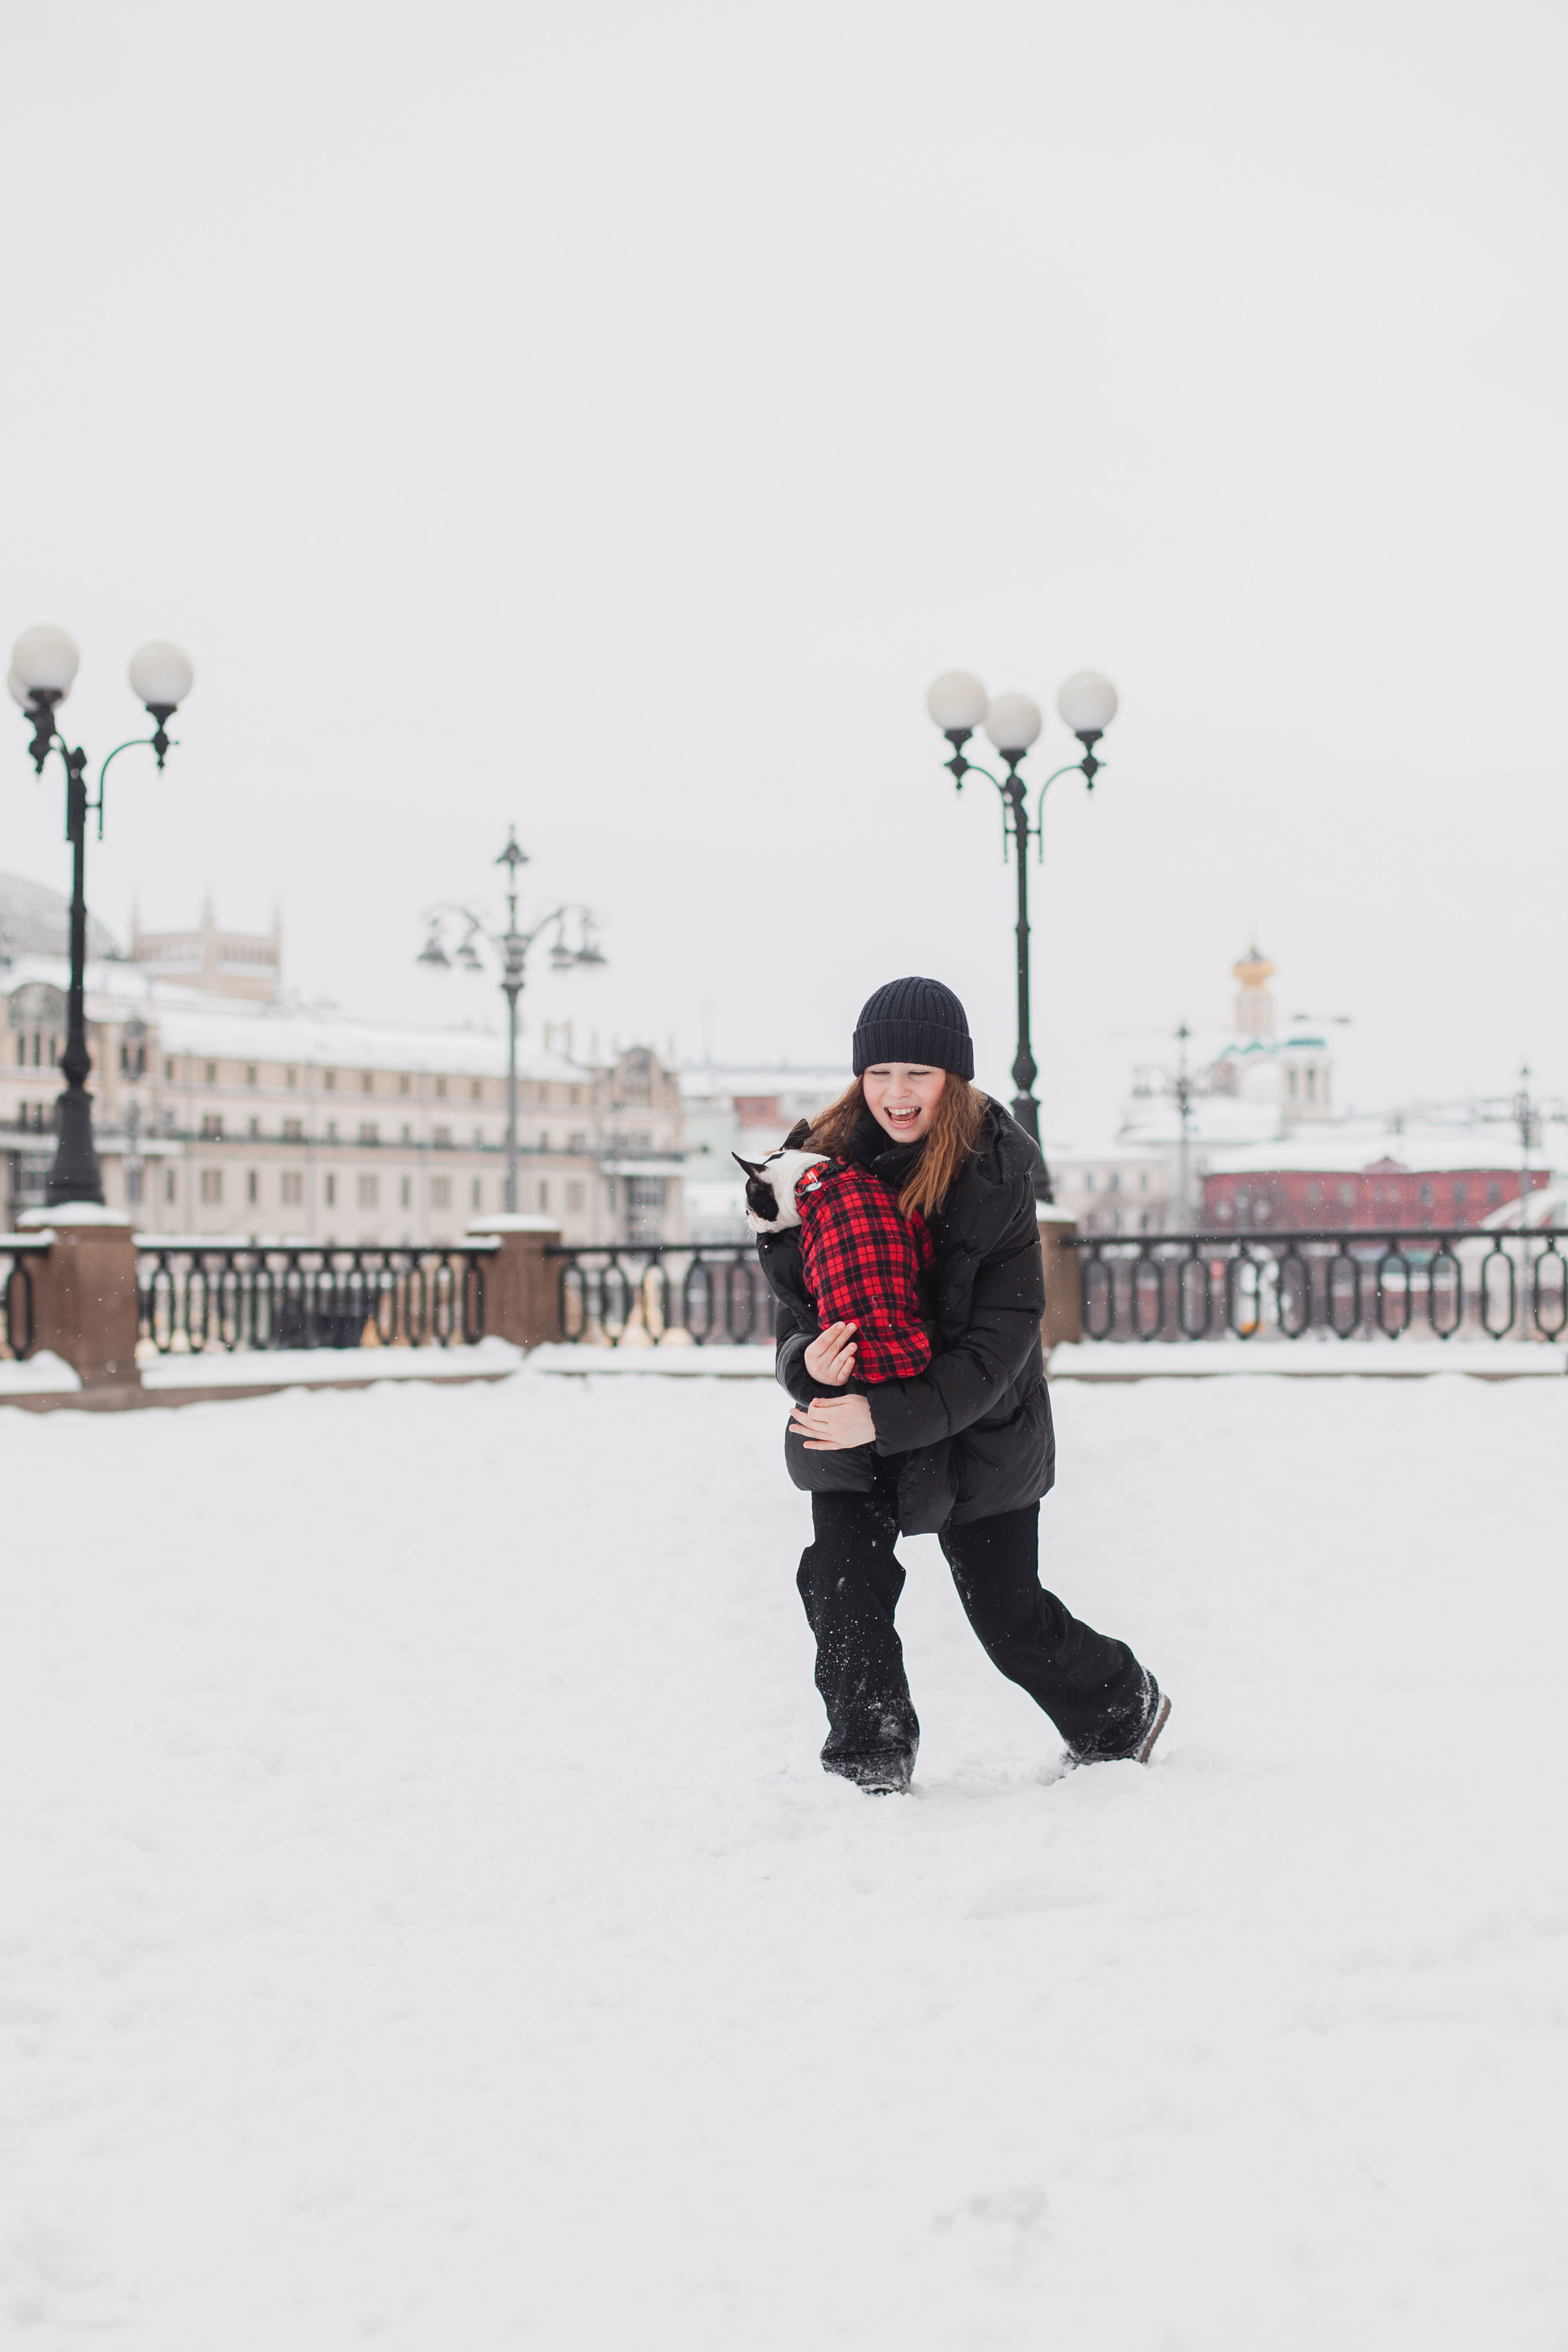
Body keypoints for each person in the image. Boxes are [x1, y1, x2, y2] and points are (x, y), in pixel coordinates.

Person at [756, 976, 1169, 1794]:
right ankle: (870, 1757)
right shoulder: (814, 1172)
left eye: (918, 1074)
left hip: (983, 1431)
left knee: (1010, 1619)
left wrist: (879, 1415)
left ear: (954, 1078)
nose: (897, 1094)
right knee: (844, 1587)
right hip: (850, 1425)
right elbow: (792, 1326)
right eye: (880, 1074)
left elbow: (999, 1349)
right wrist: (809, 1364)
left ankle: (1121, 1708)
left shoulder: (996, 1176)